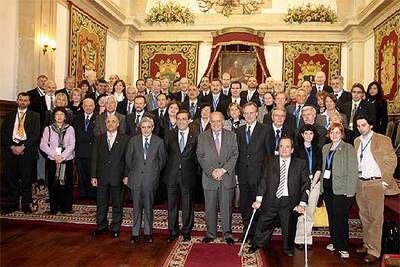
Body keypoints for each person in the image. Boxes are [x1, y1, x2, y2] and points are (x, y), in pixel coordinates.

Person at [248, 137, 310, 256]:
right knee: (263, 223)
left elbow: (306, 184)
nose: (284, 149)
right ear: (278, 148)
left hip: (289, 201)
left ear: (292, 150)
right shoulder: (269, 161)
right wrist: (258, 200)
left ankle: (287, 248)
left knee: (288, 226)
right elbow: (263, 181)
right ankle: (257, 244)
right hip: (271, 199)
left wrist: (302, 204)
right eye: (281, 146)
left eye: (287, 147)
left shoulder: (300, 164)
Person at [354, 116, 399, 263]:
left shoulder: (383, 139)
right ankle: (367, 245)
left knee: (375, 218)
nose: (361, 128)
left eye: (364, 125)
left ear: (371, 125)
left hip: (376, 183)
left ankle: (374, 251)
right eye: (358, 126)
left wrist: (384, 182)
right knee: (364, 217)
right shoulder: (356, 141)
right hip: (360, 183)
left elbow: (391, 160)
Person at [196, 112, 239, 245]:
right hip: (210, 178)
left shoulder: (232, 136)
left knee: (226, 207)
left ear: (223, 122)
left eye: (218, 121)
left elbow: (235, 154)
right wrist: (211, 171)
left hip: (226, 177)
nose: (215, 124)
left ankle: (227, 234)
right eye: (213, 121)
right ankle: (211, 233)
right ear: (210, 122)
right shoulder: (202, 137)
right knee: (210, 207)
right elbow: (200, 155)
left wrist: (223, 170)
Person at [125, 117, 167, 244]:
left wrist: (152, 172)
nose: (146, 129)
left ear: (153, 128)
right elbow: (128, 159)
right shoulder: (133, 141)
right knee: (136, 208)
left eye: (149, 127)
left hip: (150, 179)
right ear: (140, 128)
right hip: (136, 180)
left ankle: (148, 232)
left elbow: (162, 161)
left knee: (149, 207)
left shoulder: (159, 142)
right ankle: (135, 233)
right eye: (143, 127)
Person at [321, 123, 358, 259]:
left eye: (337, 132)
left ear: (342, 134)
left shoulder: (348, 148)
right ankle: (334, 242)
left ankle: (343, 246)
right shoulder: (325, 148)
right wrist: (321, 189)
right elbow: (324, 167)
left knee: (341, 217)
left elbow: (353, 170)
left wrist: (350, 191)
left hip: (342, 189)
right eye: (332, 132)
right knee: (331, 216)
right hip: (327, 187)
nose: (334, 135)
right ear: (329, 134)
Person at [1, 93, 40, 214]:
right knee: (11, 178)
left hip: (27, 151)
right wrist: (12, 147)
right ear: (17, 101)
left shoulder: (35, 116)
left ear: (29, 102)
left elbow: (36, 134)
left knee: (26, 179)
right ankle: (13, 203)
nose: (23, 102)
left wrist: (23, 146)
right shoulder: (9, 115)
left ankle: (25, 204)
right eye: (21, 100)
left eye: (25, 100)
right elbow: (3, 134)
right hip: (11, 151)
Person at [236, 102, 270, 242]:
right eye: (246, 113)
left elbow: (269, 155)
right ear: (243, 115)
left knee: (259, 206)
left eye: (251, 113)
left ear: (257, 113)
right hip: (243, 175)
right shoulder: (239, 130)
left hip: (259, 176)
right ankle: (247, 231)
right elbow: (237, 154)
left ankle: (257, 234)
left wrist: (266, 176)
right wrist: (237, 174)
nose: (249, 116)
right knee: (245, 205)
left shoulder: (266, 130)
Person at [91, 115, 129, 238]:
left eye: (113, 122)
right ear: (105, 124)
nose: (111, 124)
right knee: (101, 203)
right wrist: (93, 176)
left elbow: (127, 159)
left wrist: (126, 175)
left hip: (118, 176)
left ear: (118, 124)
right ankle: (101, 226)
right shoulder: (99, 138)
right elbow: (94, 158)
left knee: (117, 203)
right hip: (102, 176)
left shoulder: (125, 139)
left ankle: (115, 227)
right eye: (108, 122)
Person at [163, 110, 198, 242]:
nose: (181, 121)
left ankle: (186, 230)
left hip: (188, 175)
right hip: (171, 175)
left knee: (187, 205)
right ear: (176, 120)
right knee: (172, 204)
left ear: (190, 120)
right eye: (179, 119)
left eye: (184, 119)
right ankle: (172, 230)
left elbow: (197, 156)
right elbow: (165, 154)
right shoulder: (169, 134)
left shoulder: (195, 136)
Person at [40, 107, 75, 214]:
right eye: (57, 115)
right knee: (53, 184)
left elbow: (72, 145)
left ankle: (66, 207)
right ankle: (54, 208)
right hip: (53, 160)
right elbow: (43, 144)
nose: (59, 117)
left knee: (66, 184)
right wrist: (55, 156)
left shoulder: (70, 129)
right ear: (54, 117)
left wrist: (62, 156)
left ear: (65, 117)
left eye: (61, 115)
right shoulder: (48, 129)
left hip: (66, 160)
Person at [293, 124, 322, 250]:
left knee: (310, 212)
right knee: (301, 210)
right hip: (300, 184)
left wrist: (313, 183)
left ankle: (307, 239)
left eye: (311, 133)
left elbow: (319, 168)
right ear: (302, 135)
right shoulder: (297, 149)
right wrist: (305, 183)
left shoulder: (317, 149)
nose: (308, 136)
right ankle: (299, 239)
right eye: (306, 133)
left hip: (314, 183)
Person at [72, 98, 97, 200]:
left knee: (92, 173)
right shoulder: (76, 118)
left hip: (93, 151)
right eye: (86, 105)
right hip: (80, 150)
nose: (88, 107)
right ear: (82, 106)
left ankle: (92, 194)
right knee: (81, 174)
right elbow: (74, 134)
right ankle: (83, 194)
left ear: (94, 107)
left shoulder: (98, 118)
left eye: (90, 105)